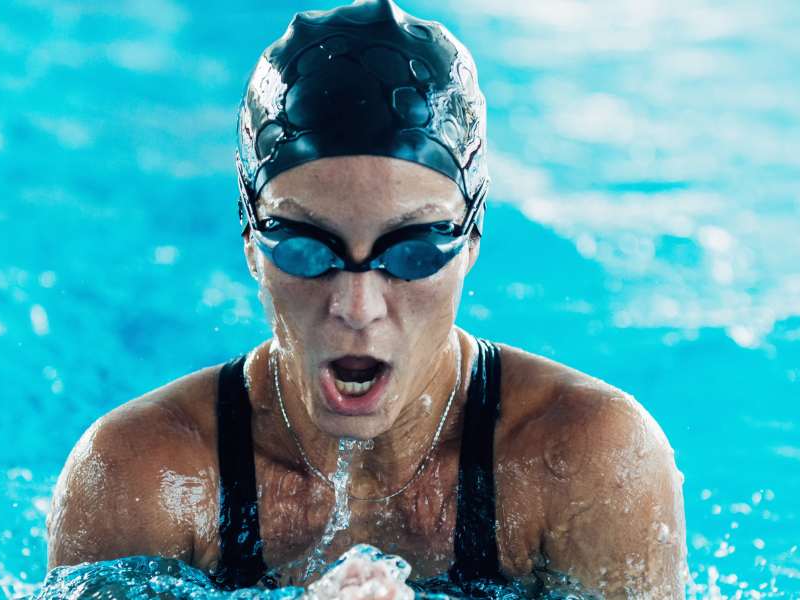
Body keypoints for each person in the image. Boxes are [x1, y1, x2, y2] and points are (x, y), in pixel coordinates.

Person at [45, 0, 687, 597]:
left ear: (471, 237)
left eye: (411, 249)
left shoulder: (589, 462)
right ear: (249, 238)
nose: (357, 307)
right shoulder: (142, 478)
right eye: (305, 246)